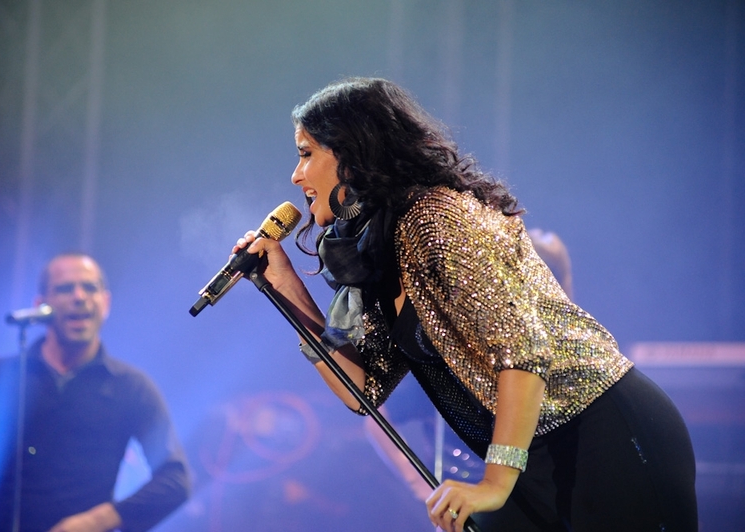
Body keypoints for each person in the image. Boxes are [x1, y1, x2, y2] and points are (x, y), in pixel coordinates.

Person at [233, 77, 698, 531]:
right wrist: (285, 288)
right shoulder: (382, 246)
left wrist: (493, 484)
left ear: (353, 156)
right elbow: (362, 387)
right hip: (533, 451)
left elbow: (523, 350)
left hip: (602, 433)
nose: (296, 175)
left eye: (306, 154)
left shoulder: (435, 218)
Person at [0, 253, 190, 532]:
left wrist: (95, 521)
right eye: (64, 288)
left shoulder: (130, 387)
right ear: (41, 305)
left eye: (90, 288)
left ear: (105, 302)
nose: (79, 297)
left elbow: (175, 480)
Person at [364, 229, 575, 505]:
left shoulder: (558, 348)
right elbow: (378, 415)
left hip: (543, 490)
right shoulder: (459, 348)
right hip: (470, 497)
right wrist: (419, 483)